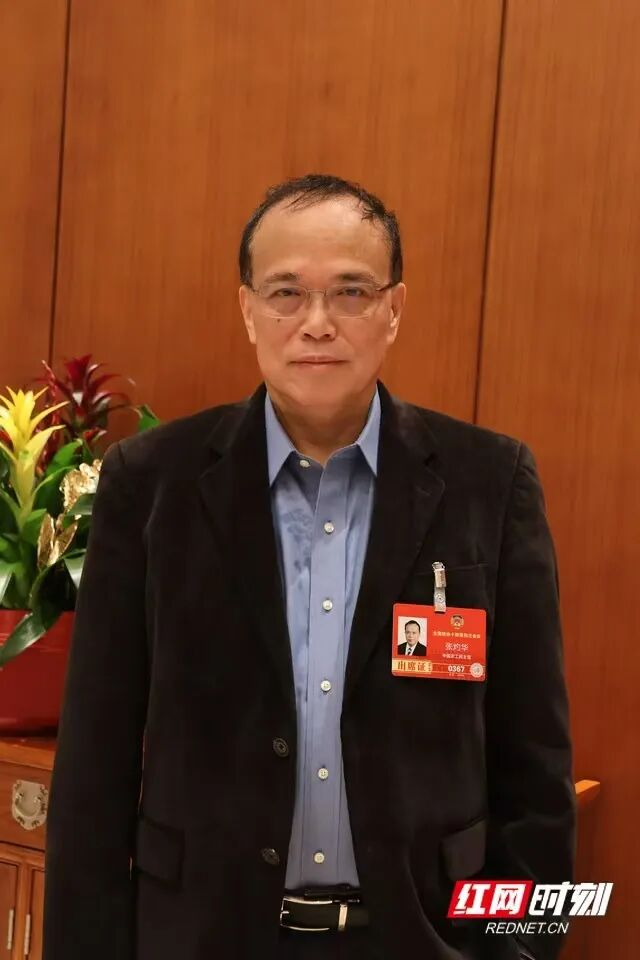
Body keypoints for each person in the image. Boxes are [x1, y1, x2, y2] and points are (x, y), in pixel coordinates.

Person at [43, 174, 575, 960]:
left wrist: (520, 948)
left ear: (395, 308)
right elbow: (94, 767)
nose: (317, 323)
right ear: (247, 309)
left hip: (423, 939)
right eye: (286, 292)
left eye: (351, 292)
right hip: (202, 939)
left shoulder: (489, 484)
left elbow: (536, 769)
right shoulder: (151, 484)